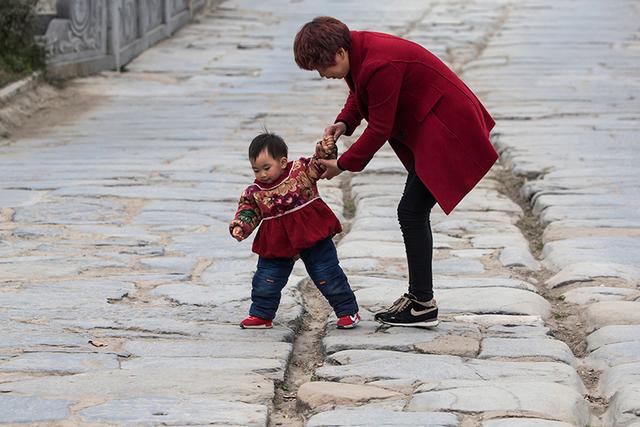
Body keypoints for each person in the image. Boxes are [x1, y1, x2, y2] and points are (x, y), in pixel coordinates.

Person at [293, 17, 498, 327]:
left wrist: (344, 165)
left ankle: (422, 303)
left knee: (411, 212)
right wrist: (343, 124)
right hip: (430, 125)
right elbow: (361, 95)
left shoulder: (379, 63)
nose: (323, 75)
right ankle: (419, 298)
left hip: (447, 128)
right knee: (411, 212)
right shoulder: (358, 50)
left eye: (323, 68)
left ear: (338, 52)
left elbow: (379, 127)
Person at [230, 132, 360, 329]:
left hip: (311, 233)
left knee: (327, 272)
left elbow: (319, 163)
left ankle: (347, 311)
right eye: (256, 170)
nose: (262, 174)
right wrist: (241, 225)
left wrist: (326, 149)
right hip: (277, 240)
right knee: (266, 277)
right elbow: (249, 210)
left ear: (283, 162)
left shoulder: (301, 171)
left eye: (267, 168)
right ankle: (261, 314)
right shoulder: (254, 192)